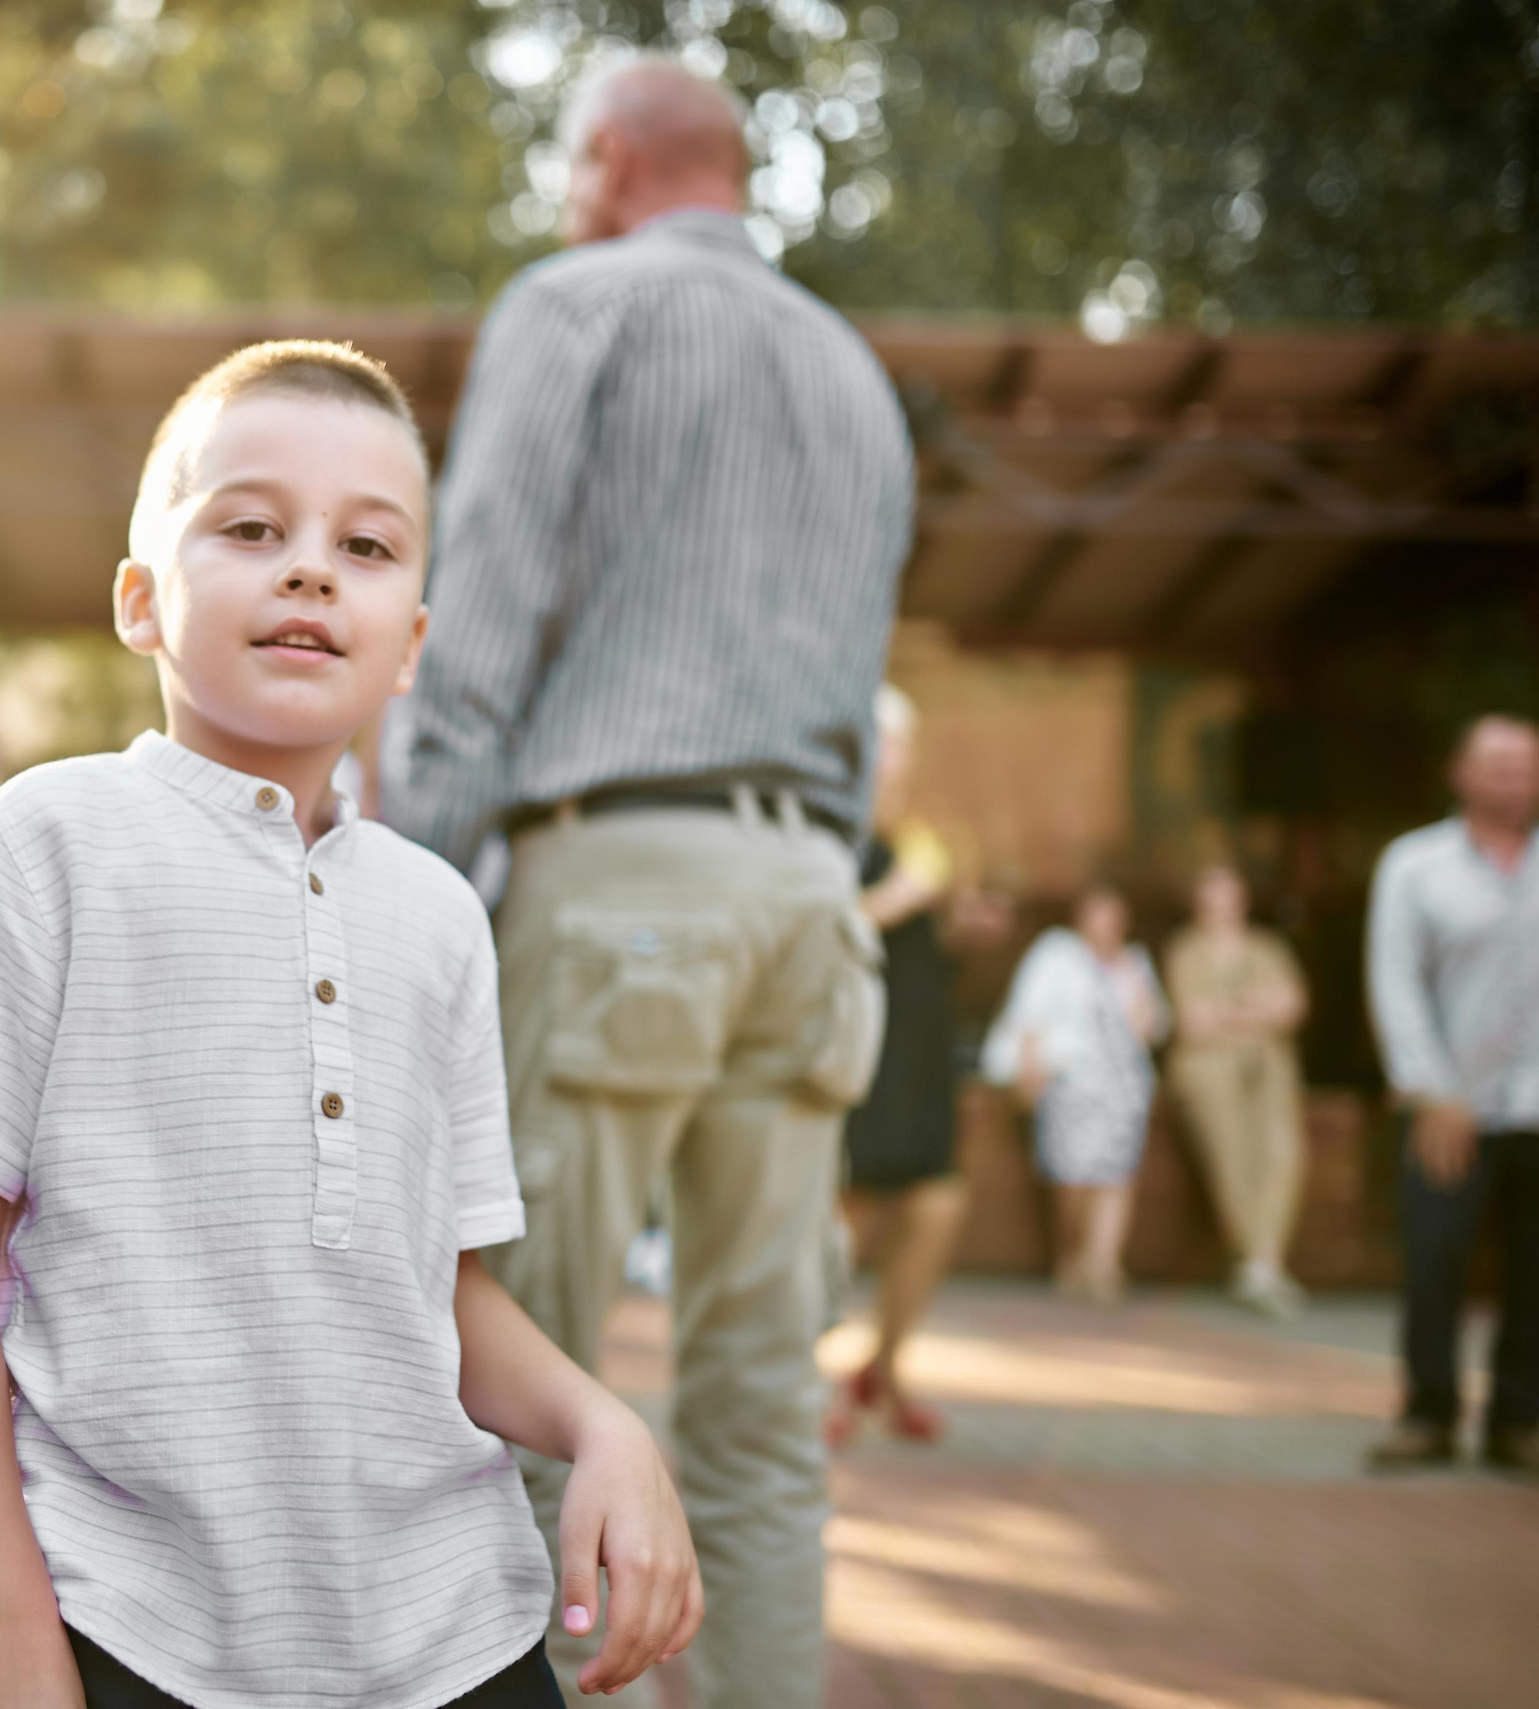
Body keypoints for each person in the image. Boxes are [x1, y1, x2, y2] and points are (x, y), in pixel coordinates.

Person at [0, 342, 703, 1709]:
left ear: (414, 642)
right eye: (251, 528)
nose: (309, 567)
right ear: (142, 600)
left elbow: (445, 1292)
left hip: (458, 1632)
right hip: (135, 1628)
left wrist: (604, 1425)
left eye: (367, 546)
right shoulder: (43, 844)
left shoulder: (441, 917)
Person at [383, 57, 911, 1709]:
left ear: (609, 160)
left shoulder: (575, 304)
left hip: (622, 874)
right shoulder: (857, 371)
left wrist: (400, 901)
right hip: (811, 894)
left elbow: (479, 621)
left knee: (524, 1382)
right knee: (759, 1400)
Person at [1364, 714, 1539, 1475]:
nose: (1515, 777)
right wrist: (1432, 1090)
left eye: (1527, 764)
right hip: (1449, 1104)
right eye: (1498, 763)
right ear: (1460, 774)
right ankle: (1428, 1412)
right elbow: (1395, 982)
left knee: (1535, 1271)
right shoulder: (1415, 865)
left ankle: (1520, 1420)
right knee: (1435, 1258)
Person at [827, 688, 992, 1448]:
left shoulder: (922, 839)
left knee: (938, 1205)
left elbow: (924, 939)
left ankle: (886, 1369)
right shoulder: (824, 836)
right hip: (860, 1051)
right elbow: (830, 927)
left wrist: (959, 923)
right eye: (891, 742)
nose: (901, 760)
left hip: (920, 1051)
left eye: (906, 745)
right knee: (847, 1217)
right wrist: (898, 898)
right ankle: (809, 1383)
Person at [982, 885, 1170, 1305]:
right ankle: (1072, 1258)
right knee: (1072, 1174)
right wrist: (1029, 1073)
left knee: (1117, 1173)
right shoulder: (1056, 955)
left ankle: (1104, 1263)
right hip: (1070, 1078)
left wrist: (1131, 984)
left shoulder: (1134, 964)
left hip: (1121, 1083)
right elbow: (1028, 1014)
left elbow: (1153, 1027)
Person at [1165, 863, 1311, 1318]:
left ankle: (1259, 1264)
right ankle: (1261, 1264)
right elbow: (1191, 1022)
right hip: (1208, 1072)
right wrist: (1254, 1011)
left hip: (1268, 1069)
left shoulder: (1266, 947)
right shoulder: (1185, 950)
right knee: (1231, 1158)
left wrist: (1225, 1014)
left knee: (1281, 1153)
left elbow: (1291, 1007)